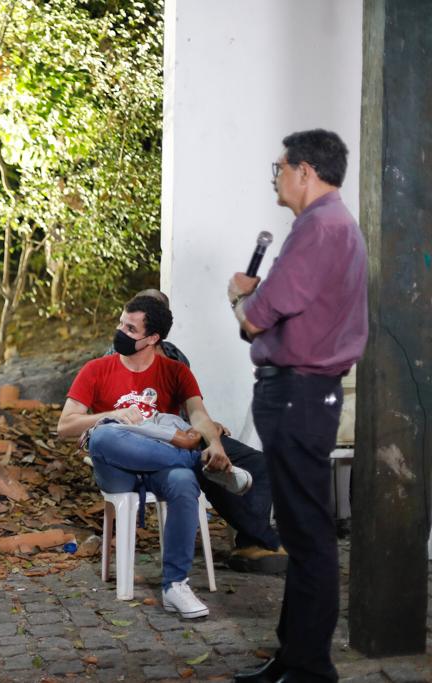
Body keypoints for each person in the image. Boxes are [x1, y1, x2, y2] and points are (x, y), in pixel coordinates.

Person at [229, 129, 367, 683]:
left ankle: (311, 668)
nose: (275, 178)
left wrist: (241, 295)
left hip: (300, 395)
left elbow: (258, 317)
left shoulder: (321, 228)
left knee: (307, 534)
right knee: (300, 528)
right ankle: (293, 657)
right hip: (301, 393)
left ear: (305, 170)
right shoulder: (328, 226)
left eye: (279, 168)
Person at [57, 295, 252, 619]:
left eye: (130, 328)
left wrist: (214, 444)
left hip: (162, 461)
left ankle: (175, 586)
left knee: (182, 481)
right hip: (118, 466)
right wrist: (115, 413)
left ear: (153, 338)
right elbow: (65, 425)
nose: (120, 331)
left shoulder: (175, 371)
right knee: (105, 434)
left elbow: (199, 416)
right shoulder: (96, 369)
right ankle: (200, 464)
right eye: (121, 323)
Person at [107, 288, 286, 573]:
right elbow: (115, 412)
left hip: (187, 434)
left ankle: (250, 542)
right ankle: (264, 540)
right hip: (147, 440)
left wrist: (209, 429)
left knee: (258, 464)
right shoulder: (117, 355)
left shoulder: (177, 359)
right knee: (207, 466)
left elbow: (192, 408)